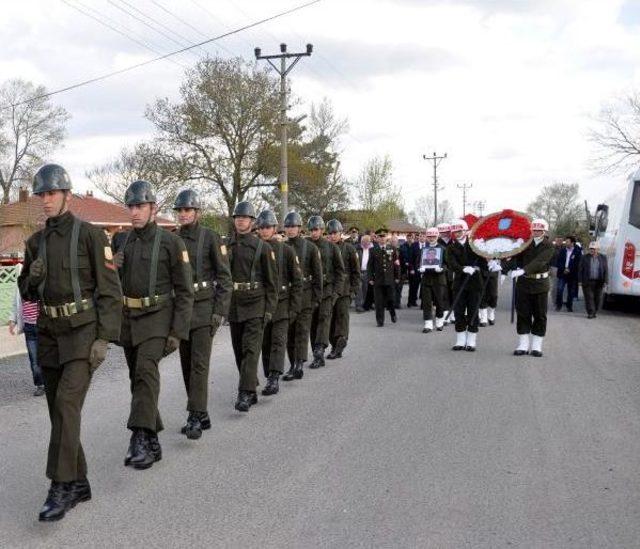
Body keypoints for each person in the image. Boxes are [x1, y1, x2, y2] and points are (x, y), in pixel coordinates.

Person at [18, 164, 122, 521]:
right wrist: (30, 279)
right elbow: (26, 292)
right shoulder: (36, 242)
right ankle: (79, 482)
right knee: (58, 412)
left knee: (65, 405)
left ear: (66, 194)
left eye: (51, 194)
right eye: (41, 195)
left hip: (82, 334)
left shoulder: (91, 236)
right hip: (48, 333)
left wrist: (104, 338)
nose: (45, 201)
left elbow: (110, 292)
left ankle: (60, 487)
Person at [113, 180, 193, 469]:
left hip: (158, 317)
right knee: (138, 379)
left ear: (153, 208)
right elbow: (111, 285)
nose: (134, 212)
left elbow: (185, 291)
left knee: (146, 372)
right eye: (131, 206)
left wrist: (177, 331)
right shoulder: (121, 241)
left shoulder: (172, 242)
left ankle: (139, 437)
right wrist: (114, 269)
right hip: (129, 320)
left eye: (140, 206)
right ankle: (153, 441)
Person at [174, 190, 232, 439]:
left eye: (188, 210)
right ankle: (202, 412)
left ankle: (195, 416)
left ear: (197, 212)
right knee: (186, 366)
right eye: (181, 210)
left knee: (199, 365)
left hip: (204, 308)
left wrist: (219, 312)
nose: (184, 214)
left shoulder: (210, 238)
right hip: (182, 311)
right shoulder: (173, 240)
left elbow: (225, 278)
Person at [227, 201, 278, 411]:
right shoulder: (226, 245)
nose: (241, 220)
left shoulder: (263, 247)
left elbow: (272, 283)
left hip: (256, 304)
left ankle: (245, 393)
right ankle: (251, 386)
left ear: (252, 222)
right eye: (238, 217)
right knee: (239, 351)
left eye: (245, 217)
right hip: (234, 304)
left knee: (250, 350)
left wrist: (268, 310)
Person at [256, 210, 302, 395]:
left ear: (274, 228)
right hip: (261, 303)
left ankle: (274, 378)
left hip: (282, 303)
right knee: (265, 343)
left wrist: (294, 308)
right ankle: (269, 374)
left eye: (268, 227)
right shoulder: (256, 249)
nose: (265, 230)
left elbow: (297, 281)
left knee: (278, 341)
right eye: (261, 227)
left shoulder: (287, 251)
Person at [505, 219, 554, 357]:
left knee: (539, 315)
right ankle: (523, 344)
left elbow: (540, 261)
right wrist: (504, 268)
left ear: (545, 232)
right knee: (523, 314)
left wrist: (523, 270)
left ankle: (536, 346)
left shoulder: (549, 246)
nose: (536, 232)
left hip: (540, 284)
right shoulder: (525, 244)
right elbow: (514, 258)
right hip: (524, 284)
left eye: (539, 230)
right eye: (534, 230)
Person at [283, 211, 322, 381]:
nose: (290, 229)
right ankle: (293, 362)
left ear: (299, 228)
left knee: (301, 331)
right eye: (288, 226)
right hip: (288, 296)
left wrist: (316, 298)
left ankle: (298, 364)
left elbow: (318, 275)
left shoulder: (310, 248)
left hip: (306, 296)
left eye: (293, 226)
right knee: (289, 333)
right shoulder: (282, 247)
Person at [445, 219, 489, 351]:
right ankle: (460, 339)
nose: (457, 234)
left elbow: (483, 262)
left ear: (465, 231)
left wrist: (490, 264)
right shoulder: (451, 247)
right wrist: (462, 269)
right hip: (459, 283)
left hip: (475, 283)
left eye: (459, 231)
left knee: (473, 311)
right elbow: (451, 263)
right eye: (455, 232)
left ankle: (471, 340)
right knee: (458, 311)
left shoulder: (475, 245)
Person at [308, 215, 345, 368]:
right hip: (310, 290)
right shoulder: (306, 246)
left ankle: (319, 351)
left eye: (316, 229)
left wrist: (336, 293)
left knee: (324, 319)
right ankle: (315, 350)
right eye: (311, 229)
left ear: (322, 230)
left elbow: (340, 272)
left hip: (327, 289)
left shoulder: (332, 248)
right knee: (313, 322)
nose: (314, 232)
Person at [326, 219, 361, 359]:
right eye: (330, 233)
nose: (332, 235)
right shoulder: (325, 248)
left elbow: (356, 272)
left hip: (345, 290)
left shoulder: (349, 249)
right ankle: (334, 345)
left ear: (341, 233)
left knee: (341, 318)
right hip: (329, 290)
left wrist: (353, 290)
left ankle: (340, 342)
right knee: (330, 319)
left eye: (335, 233)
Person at [9, 265, 44, 396]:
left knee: (47, 356)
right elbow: (15, 304)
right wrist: (13, 321)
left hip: (43, 327)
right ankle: (40, 384)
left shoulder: (41, 284)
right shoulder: (21, 287)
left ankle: (51, 381)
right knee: (34, 359)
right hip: (29, 328)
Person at [416, 227, 448, 333]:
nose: (431, 238)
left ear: (437, 236)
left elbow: (447, 264)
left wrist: (442, 268)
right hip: (426, 279)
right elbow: (417, 263)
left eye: (433, 236)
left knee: (439, 302)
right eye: (429, 236)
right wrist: (420, 268)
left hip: (439, 279)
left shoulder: (443, 249)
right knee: (426, 303)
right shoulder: (423, 250)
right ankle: (428, 324)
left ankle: (439, 321)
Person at [367, 227, 400, 327]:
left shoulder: (392, 249)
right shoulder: (373, 250)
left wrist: (397, 276)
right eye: (380, 237)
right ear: (376, 238)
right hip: (378, 280)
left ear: (387, 237)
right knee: (378, 301)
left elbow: (396, 264)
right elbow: (370, 266)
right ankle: (380, 320)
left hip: (389, 279)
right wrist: (370, 278)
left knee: (391, 299)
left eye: (384, 236)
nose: (382, 238)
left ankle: (392, 313)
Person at [579, 241, 608, 319]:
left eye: (594, 249)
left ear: (598, 249)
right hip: (587, 281)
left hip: (599, 281)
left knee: (597, 298)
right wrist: (580, 281)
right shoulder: (584, 257)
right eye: (591, 249)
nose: (592, 250)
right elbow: (580, 270)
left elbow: (605, 270)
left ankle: (594, 311)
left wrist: (605, 281)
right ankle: (591, 312)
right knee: (589, 297)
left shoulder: (603, 257)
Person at [555, 235, 581, 312]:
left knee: (571, 291)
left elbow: (578, 263)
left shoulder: (577, 251)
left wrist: (570, 269)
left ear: (572, 243)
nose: (566, 243)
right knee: (559, 289)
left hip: (572, 274)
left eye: (567, 242)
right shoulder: (563, 251)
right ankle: (558, 305)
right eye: (565, 242)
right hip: (562, 273)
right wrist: (564, 269)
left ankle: (569, 306)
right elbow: (558, 262)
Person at [438, 223, 455, 323]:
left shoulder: (454, 242)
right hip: (442, 272)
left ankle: (453, 313)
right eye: (442, 232)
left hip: (454, 271)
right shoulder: (437, 243)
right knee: (444, 294)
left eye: (447, 232)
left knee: (454, 292)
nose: (445, 234)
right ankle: (445, 314)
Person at [355, 234, 373, 312]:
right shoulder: (357, 249)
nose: (366, 243)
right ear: (362, 242)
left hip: (367, 272)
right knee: (359, 289)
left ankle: (366, 305)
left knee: (366, 289)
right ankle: (358, 305)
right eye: (364, 242)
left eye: (367, 242)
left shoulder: (372, 250)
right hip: (359, 271)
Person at [408, 232, 425, 307]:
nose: (422, 238)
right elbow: (410, 258)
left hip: (425, 270)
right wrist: (411, 269)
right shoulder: (414, 245)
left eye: (424, 236)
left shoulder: (428, 245)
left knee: (424, 288)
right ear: (419, 237)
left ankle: (423, 304)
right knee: (413, 287)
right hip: (415, 269)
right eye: (421, 236)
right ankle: (411, 301)